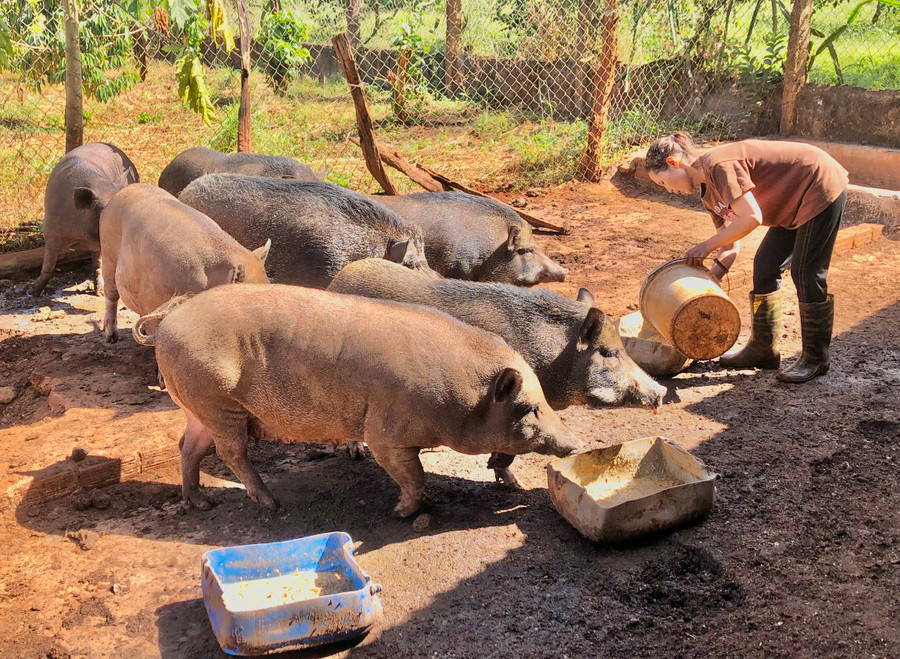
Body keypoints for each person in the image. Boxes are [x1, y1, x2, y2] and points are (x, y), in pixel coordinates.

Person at [644, 133, 849, 383]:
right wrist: (705, 287)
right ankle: (764, 349)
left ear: (673, 162)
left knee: (806, 272)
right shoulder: (709, 196)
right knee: (765, 265)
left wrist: (706, 246)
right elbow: (730, 247)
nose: (668, 189)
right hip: (793, 201)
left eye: (663, 182)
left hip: (818, 183)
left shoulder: (719, 166)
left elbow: (751, 217)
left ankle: (816, 358)